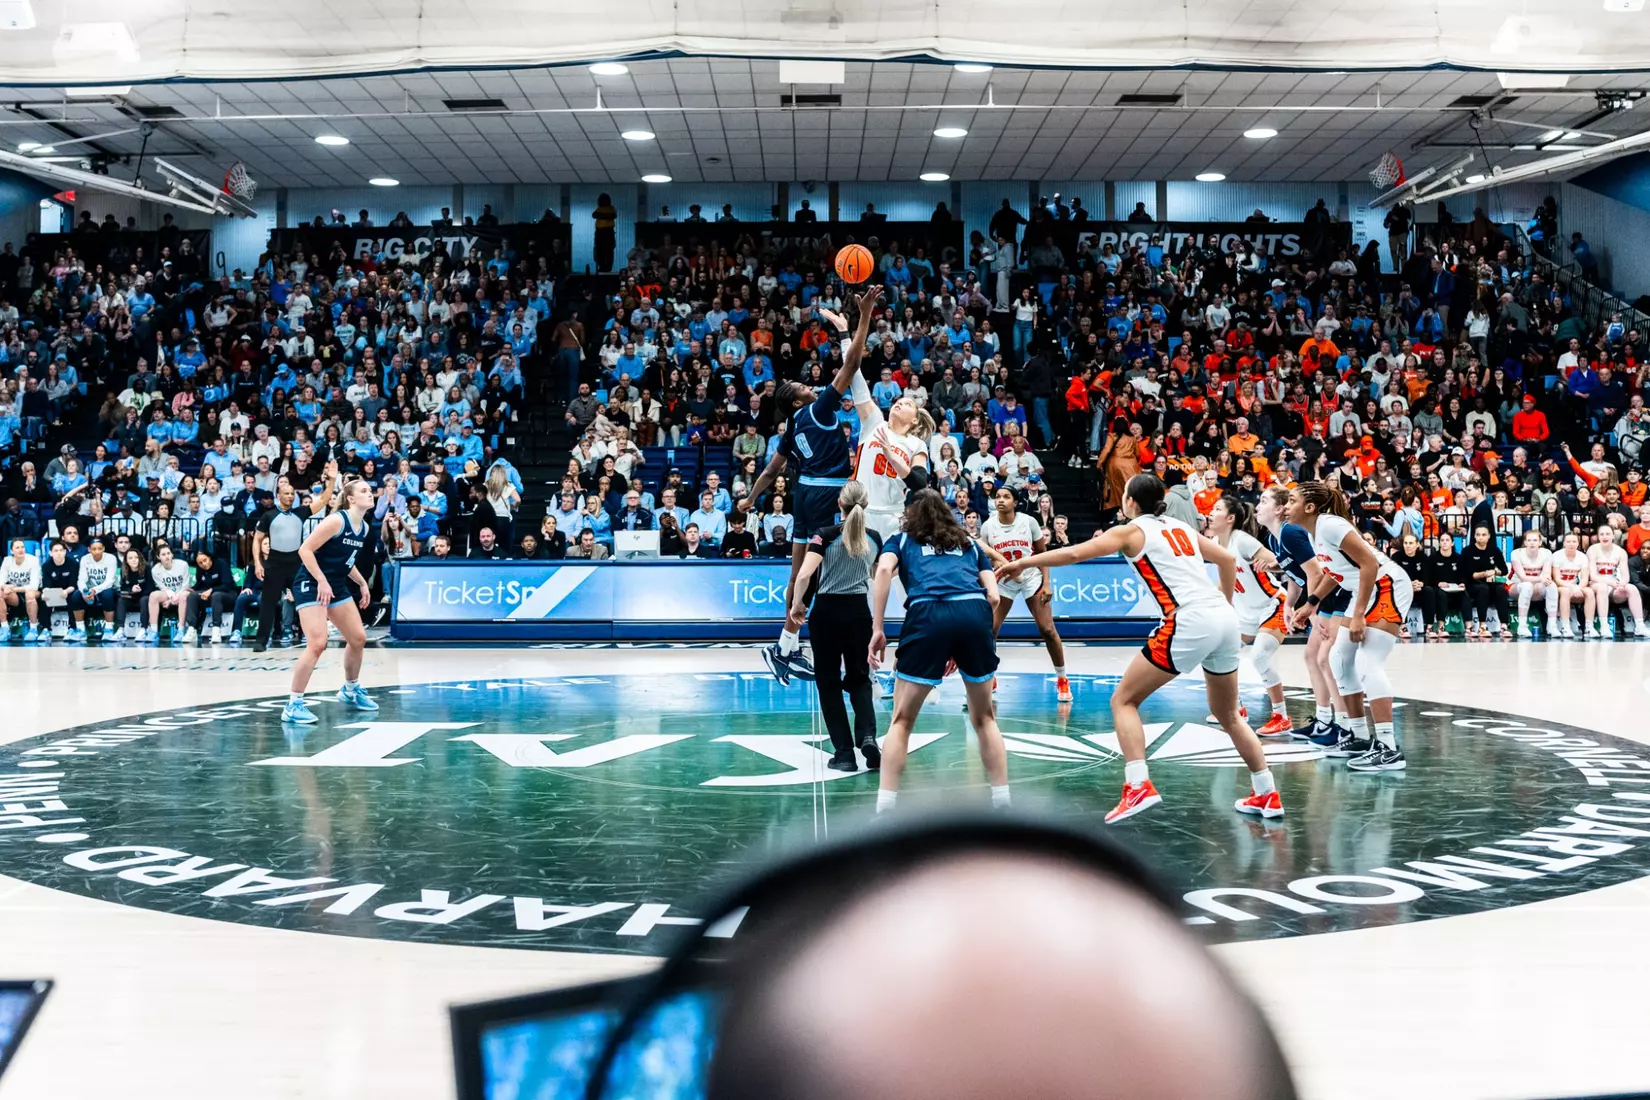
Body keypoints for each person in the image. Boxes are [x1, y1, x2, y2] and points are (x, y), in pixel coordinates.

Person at [1001, 473, 1280, 823]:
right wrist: (1223, 605)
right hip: (1224, 617)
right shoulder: (1181, 528)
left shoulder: (1131, 530)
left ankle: (1137, 786)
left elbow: (1073, 553)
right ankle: (1267, 792)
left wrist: (1022, 562)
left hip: (1190, 619)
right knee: (1227, 715)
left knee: (1123, 700)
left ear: (1130, 501)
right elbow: (1226, 561)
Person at [741, 285, 883, 685]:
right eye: (804, 386)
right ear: (797, 398)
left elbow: (771, 473)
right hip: (825, 493)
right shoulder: (817, 409)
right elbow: (852, 364)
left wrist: (750, 500)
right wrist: (862, 318)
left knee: (795, 575)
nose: (810, 384)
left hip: (803, 492)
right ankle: (802, 643)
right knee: (820, 574)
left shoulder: (790, 427)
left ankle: (784, 647)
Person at [869, 489, 1009, 812]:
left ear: (910, 513)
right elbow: (994, 597)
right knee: (985, 718)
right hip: (973, 612)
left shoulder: (902, 540)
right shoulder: (968, 542)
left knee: (901, 720)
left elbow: (882, 571)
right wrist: (962, 641)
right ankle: (1004, 802)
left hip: (927, 611)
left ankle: (884, 809)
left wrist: (878, 629)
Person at [1287, 481, 1412, 772]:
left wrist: (1357, 616)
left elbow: (1368, 563)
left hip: (1387, 585)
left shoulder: (1330, 524)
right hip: (1365, 590)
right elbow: (1338, 570)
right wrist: (1311, 602)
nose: (1286, 506)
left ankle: (1389, 748)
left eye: (1291, 500)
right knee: (1338, 659)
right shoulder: (1317, 531)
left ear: (1309, 507)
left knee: (1370, 663)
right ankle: (1358, 736)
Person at [787, 481, 883, 773]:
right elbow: (877, 579)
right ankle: (868, 736)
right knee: (860, 679)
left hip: (827, 612)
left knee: (828, 683)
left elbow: (804, 574)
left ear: (839, 503)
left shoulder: (824, 536)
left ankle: (844, 753)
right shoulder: (875, 538)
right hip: (859, 613)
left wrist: (797, 605)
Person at [284, 478, 379, 724]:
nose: (370, 494)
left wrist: (360, 582)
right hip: (311, 583)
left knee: (358, 638)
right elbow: (304, 550)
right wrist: (322, 581)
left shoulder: (365, 528)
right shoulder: (337, 520)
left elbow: (345, 561)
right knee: (317, 644)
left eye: (370, 491)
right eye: (364, 491)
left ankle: (350, 690)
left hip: (334, 584)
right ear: (350, 498)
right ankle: (293, 704)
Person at [1255, 486, 1341, 741]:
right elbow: (1296, 576)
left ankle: (1343, 725)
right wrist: (1289, 605)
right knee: (1313, 657)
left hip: (1334, 594)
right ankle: (1325, 720)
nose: (1257, 506)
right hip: (1320, 596)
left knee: (1325, 659)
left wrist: (1312, 608)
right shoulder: (1273, 538)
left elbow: (1316, 572)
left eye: (1263, 501)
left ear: (1280, 509)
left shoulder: (1291, 532)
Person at [1206, 497, 1292, 737]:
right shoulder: (1214, 542)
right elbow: (1226, 583)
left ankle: (1282, 717)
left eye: (1217, 509)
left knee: (1259, 657)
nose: (1211, 513)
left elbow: (1279, 562)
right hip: (1247, 615)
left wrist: (1272, 563)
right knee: (1220, 652)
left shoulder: (1242, 541)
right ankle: (1235, 708)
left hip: (1272, 605)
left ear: (1230, 518)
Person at [976, 485, 1071, 703]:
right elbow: (986, 556)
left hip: (1030, 578)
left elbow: (1042, 554)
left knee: (1047, 629)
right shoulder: (989, 526)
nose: (1001, 500)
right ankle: (990, 676)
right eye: (998, 497)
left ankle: (1062, 678)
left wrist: (1047, 582)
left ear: (1016, 502)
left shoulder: (1028, 522)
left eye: (1006, 497)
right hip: (1004, 581)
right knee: (989, 630)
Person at [252, 480, 305, 652]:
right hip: (275, 562)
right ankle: (261, 641)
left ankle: (312, 636)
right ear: (278, 496)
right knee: (268, 603)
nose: (290, 496)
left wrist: (332, 480)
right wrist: (258, 564)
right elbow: (257, 539)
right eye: (287, 493)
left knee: (305, 600)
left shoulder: (300, 513)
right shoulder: (269, 515)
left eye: (292, 493)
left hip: (296, 561)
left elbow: (324, 500)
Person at [1587, 524, 1648, 638]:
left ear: (1613, 536)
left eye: (1608, 534)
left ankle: (1640, 626)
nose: (1605, 537)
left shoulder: (1620, 552)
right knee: (1602, 588)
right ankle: (1604, 626)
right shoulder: (1593, 550)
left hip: (1614, 586)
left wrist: (1622, 584)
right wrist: (1609, 582)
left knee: (1632, 588)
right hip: (1596, 584)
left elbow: (1625, 576)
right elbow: (1592, 575)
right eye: (1602, 534)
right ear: (1598, 537)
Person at [1459, 525, 1512, 639]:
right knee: (1483, 589)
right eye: (1478, 535)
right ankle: (1482, 626)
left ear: (1489, 536)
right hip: (1472, 584)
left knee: (1501, 590)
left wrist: (1494, 572)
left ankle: (1504, 626)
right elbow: (1468, 574)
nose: (1481, 538)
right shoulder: (1467, 551)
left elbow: (1504, 570)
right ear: (1474, 536)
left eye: (1484, 535)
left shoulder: (1494, 550)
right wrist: (1484, 574)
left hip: (1489, 582)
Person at [1509, 527, 1560, 638]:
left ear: (1540, 542)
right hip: (1514, 586)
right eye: (1529, 540)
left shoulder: (1546, 553)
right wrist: (1541, 579)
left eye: (1535, 540)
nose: (1532, 543)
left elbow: (1546, 575)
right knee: (1527, 585)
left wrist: (1543, 579)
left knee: (1551, 585)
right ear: (1525, 542)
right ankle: (1522, 626)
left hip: (1535, 586)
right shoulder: (1516, 553)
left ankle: (1552, 626)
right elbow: (1523, 577)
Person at [68, 536, 118, 642]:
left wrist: (95, 590)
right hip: (90, 590)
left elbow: (110, 581)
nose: (97, 551)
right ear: (89, 549)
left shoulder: (111, 558)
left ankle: (109, 629)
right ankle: (81, 630)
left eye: (100, 548)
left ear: (103, 549)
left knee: (107, 594)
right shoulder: (85, 559)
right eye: (94, 549)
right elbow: (81, 579)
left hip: (106, 589)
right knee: (76, 595)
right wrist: (84, 591)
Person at [146, 541, 193, 643]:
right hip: (169, 594)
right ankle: (153, 631)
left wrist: (173, 600)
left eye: (168, 553)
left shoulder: (183, 565)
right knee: (153, 595)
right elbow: (164, 588)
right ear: (158, 557)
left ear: (172, 555)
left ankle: (181, 630)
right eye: (163, 554)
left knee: (183, 596)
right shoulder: (155, 570)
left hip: (184, 592)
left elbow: (186, 585)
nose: (167, 556)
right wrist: (172, 598)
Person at [1552, 531, 1593, 638]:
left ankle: (1589, 627)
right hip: (1561, 587)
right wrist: (1572, 587)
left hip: (1576, 587)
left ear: (1578, 543)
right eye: (1568, 541)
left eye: (1574, 541)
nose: (1571, 544)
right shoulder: (1556, 556)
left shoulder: (1582, 557)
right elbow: (1557, 579)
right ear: (1564, 543)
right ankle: (1566, 627)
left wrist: (1579, 588)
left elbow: (1585, 578)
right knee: (1565, 592)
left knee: (1589, 591)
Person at [0, 537, 41, 642]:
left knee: (29, 594)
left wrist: (14, 589)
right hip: (16, 596)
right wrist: (5, 587)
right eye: (17, 547)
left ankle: (33, 629)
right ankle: (5, 628)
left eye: (22, 547)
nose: (20, 549)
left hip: (33, 592)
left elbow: (34, 586)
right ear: (11, 551)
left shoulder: (33, 560)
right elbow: (1, 581)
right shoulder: (7, 560)